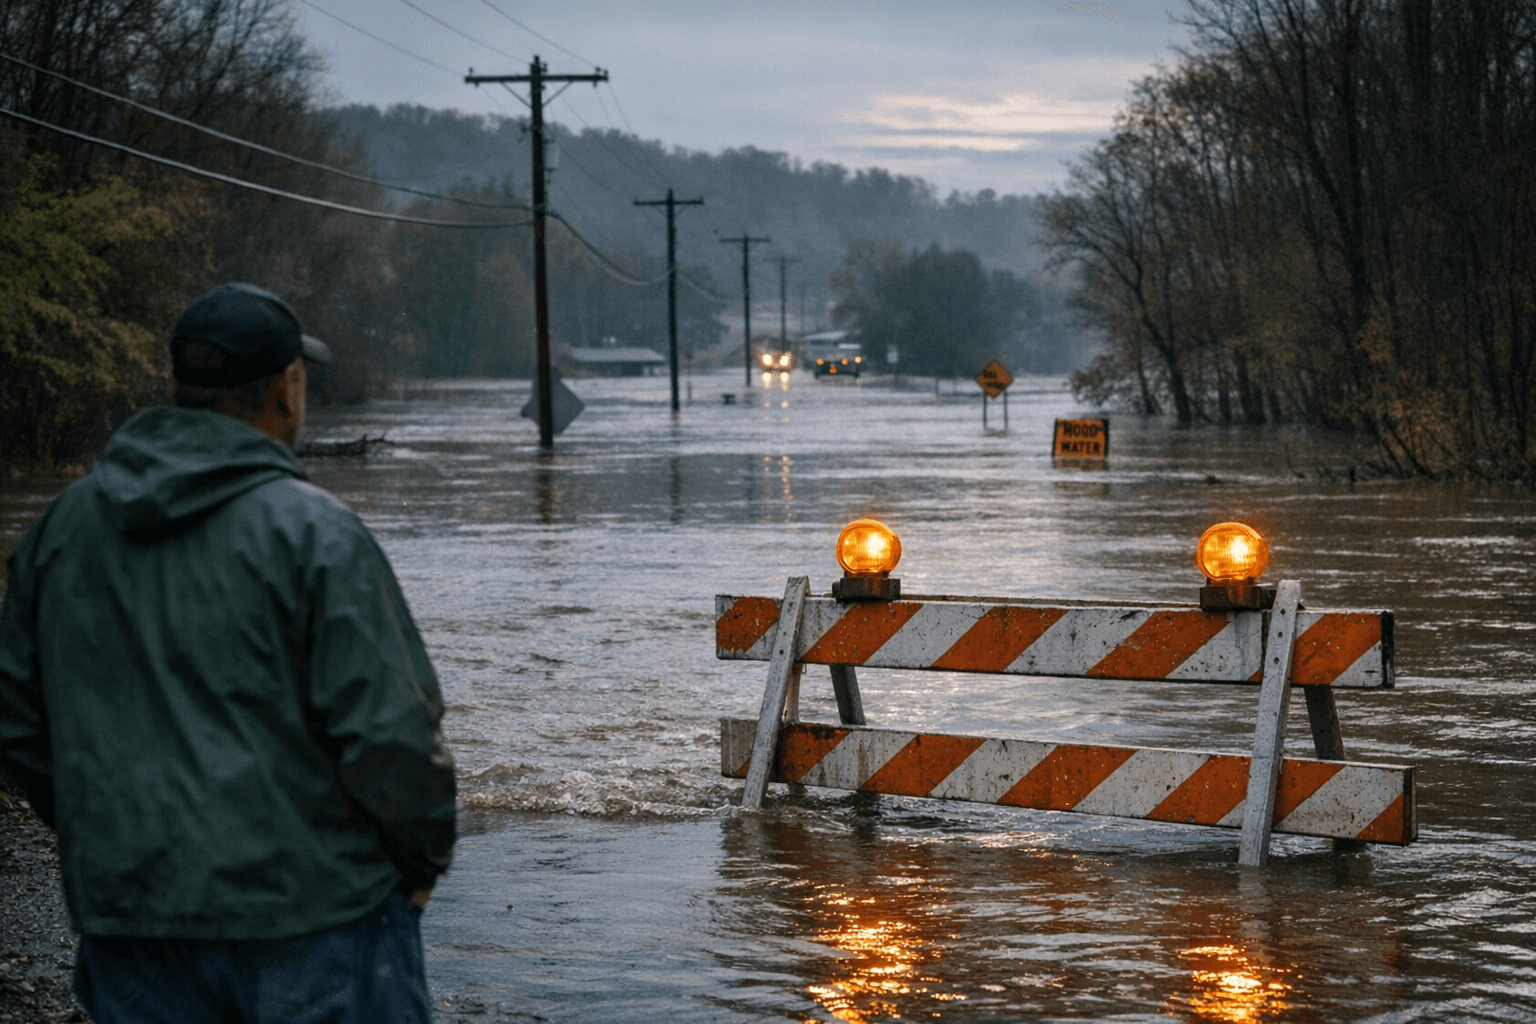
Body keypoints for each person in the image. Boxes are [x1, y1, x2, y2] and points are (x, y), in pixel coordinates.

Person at [0, 283, 457, 1023]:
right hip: (316, 919)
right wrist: (419, 869)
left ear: (179, 385)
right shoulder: (316, 533)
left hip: (133, 921)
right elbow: (394, 737)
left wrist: (114, 831)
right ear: (288, 387)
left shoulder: (62, 529)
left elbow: (18, 724)